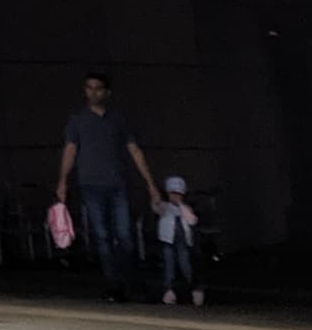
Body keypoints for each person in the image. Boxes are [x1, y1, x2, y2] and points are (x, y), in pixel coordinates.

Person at [54, 73, 164, 302]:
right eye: (89, 88)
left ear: (107, 92)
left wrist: (150, 184)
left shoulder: (118, 119)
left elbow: (134, 150)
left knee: (124, 235)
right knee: (103, 236)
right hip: (91, 184)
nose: (93, 92)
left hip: (117, 183)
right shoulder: (78, 119)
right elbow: (70, 150)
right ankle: (114, 285)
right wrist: (63, 180)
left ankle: (129, 281)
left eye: (98, 88)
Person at [153, 174, 205, 307]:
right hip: (168, 242)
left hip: (183, 243)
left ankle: (195, 290)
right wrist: (155, 197)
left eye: (178, 194)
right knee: (168, 266)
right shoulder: (165, 207)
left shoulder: (186, 208)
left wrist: (180, 205)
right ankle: (169, 292)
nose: (175, 196)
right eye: (172, 193)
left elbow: (192, 220)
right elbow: (156, 206)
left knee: (185, 265)